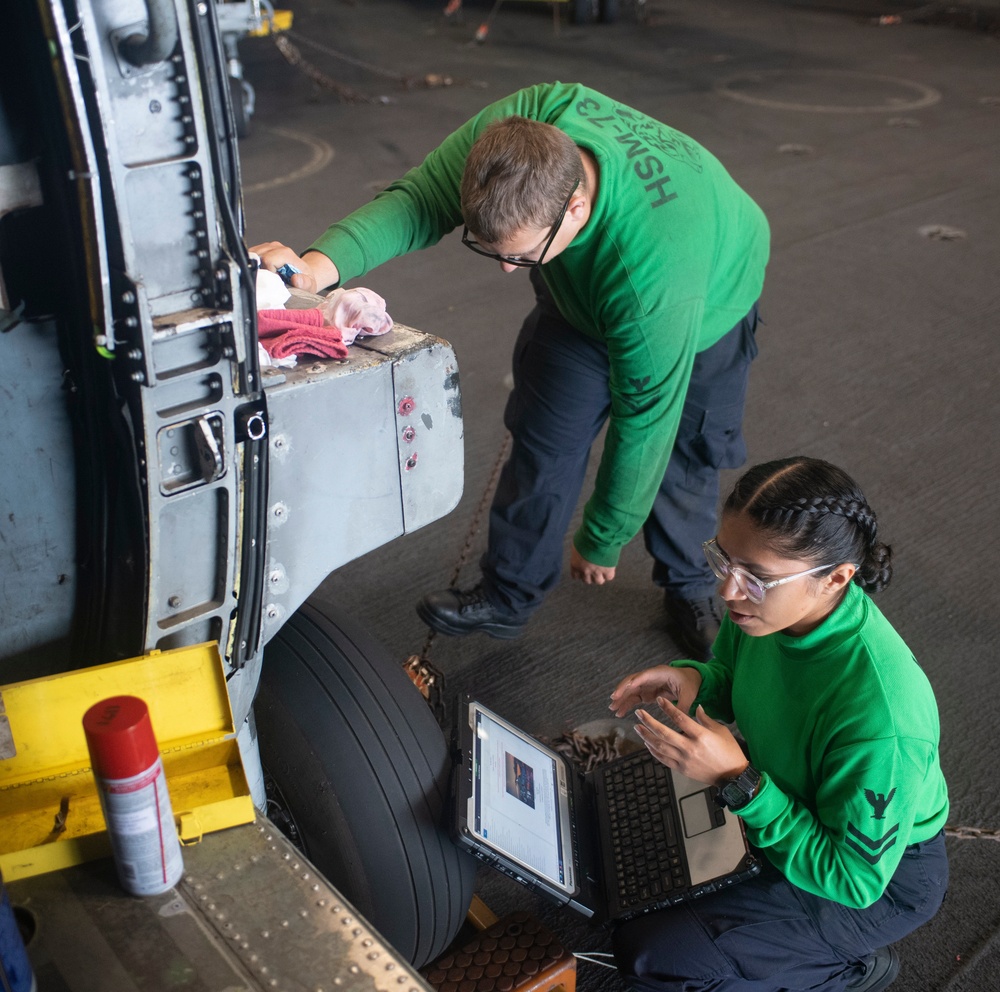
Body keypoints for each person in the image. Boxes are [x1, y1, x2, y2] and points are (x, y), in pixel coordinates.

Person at [252, 81, 770, 660]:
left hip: (703, 307)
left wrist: (604, 535)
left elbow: (645, 418)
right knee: (545, 440)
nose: (505, 271)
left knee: (682, 458)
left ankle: (689, 589)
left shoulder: (657, 279)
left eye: (518, 256)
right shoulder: (517, 130)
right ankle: (508, 594)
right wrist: (321, 267)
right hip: (580, 296)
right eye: (492, 249)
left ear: (576, 209)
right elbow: (421, 200)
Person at [607, 456, 949, 992]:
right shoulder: (766, 612)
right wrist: (700, 681)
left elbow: (853, 879)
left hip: (878, 879)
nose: (727, 594)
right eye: (724, 561)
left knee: (654, 955)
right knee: (621, 862)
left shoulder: (883, 718)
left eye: (756, 579)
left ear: (837, 577)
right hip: (783, 802)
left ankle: (846, 973)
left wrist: (739, 783)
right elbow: (732, 672)